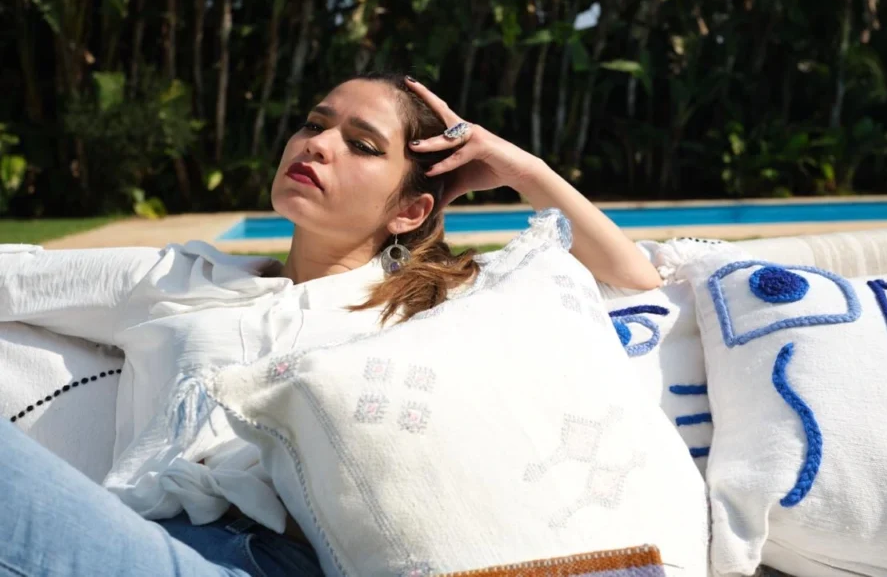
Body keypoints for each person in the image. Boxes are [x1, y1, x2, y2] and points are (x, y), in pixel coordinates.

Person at [0, 72, 661, 576]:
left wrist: (523, 169)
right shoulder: (175, 277)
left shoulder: (434, 306)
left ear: (409, 210)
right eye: (315, 124)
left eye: (361, 145)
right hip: (134, 540)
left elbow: (632, 282)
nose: (317, 144)